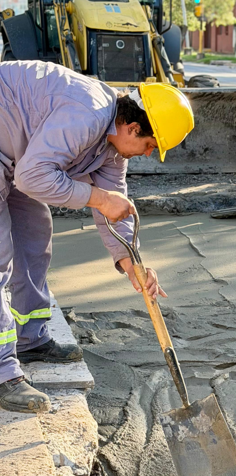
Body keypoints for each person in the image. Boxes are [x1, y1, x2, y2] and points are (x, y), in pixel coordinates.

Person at [0, 60, 194, 414]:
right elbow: (33, 178)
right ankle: (4, 373)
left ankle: (29, 339)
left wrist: (131, 262)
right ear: (132, 127)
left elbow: (113, 208)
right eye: (150, 145)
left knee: (34, 235)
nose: (148, 153)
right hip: (14, 157)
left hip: (16, 157)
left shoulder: (112, 148)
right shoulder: (88, 115)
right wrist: (99, 198)